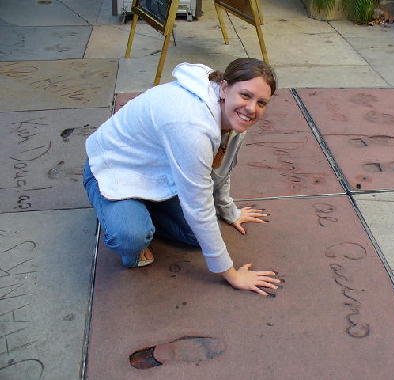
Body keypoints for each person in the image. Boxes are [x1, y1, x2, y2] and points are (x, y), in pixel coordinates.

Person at [83, 58, 280, 296]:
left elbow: (219, 169)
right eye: (246, 95)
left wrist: (230, 212)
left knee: (196, 237)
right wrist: (232, 275)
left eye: (262, 103)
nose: (251, 109)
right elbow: (198, 207)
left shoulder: (233, 114)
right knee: (132, 236)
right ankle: (125, 225)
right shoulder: (192, 126)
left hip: (157, 169)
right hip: (114, 167)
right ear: (225, 87)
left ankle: (140, 208)